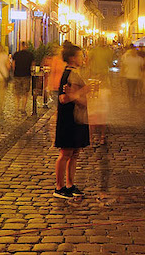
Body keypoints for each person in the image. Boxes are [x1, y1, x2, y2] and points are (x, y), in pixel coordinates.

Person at [54, 43, 90, 199]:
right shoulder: (71, 74)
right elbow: (66, 98)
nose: (83, 58)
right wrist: (85, 91)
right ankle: (60, 187)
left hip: (75, 116)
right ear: (73, 58)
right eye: (81, 55)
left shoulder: (73, 73)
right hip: (71, 117)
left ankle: (70, 185)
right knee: (66, 153)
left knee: (74, 152)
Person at [12, 41, 35, 114]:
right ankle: (23, 108)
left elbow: (13, 64)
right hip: (26, 75)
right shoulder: (30, 55)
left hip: (17, 76)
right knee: (25, 93)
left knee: (17, 93)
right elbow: (33, 65)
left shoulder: (16, 54)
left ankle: (16, 107)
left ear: (20, 46)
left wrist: (14, 72)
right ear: (26, 46)